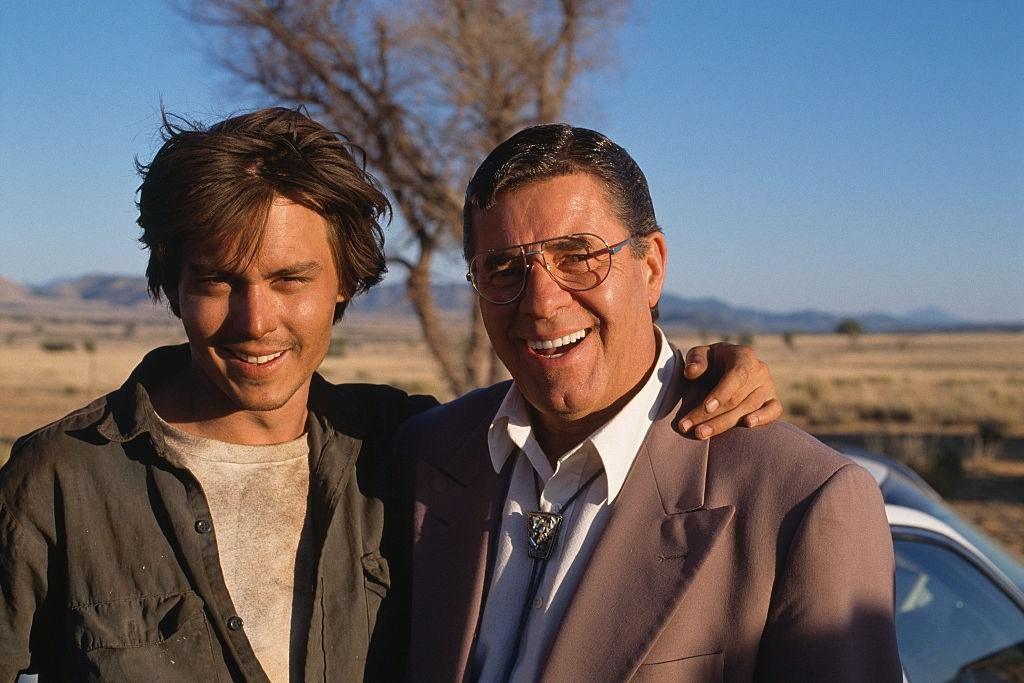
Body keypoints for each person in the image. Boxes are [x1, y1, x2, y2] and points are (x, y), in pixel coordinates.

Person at [0, 108, 781, 681]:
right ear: (171, 284)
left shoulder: (406, 448)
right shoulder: (58, 480)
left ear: (343, 285)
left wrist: (693, 371)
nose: (254, 318)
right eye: (217, 281)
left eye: (290, 279)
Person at [401, 124, 902, 682]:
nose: (541, 302)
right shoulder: (427, 452)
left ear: (652, 267)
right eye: (503, 269)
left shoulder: (800, 502)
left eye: (577, 256)